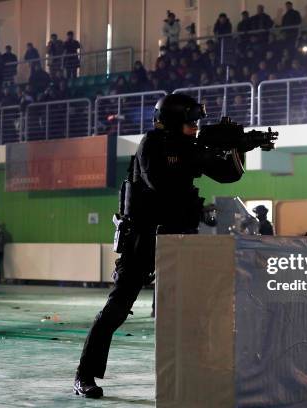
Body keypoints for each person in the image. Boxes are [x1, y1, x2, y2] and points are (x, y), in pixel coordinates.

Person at [74, 94, 272, 398]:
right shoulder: (152, 144)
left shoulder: (190, 148)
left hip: (180, 238)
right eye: (190, 122)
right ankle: (84, 374)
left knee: (193, 308)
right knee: (117, 307)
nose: (195, 128)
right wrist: (201, 154)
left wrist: (236, 148)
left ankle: (198, 373)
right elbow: (159, 182)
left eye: (196, 123)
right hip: (143, 237)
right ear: (173, 122)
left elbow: (226, 175)